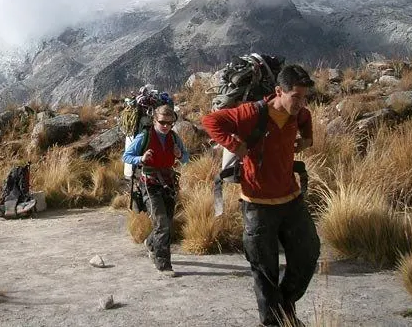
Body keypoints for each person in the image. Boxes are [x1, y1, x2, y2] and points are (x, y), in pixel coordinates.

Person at [201, 64, 320, 326]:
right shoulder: (251, 114)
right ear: (279, 91)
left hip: (291, 199)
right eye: (295, 97)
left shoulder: (297, 113)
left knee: (309, 254)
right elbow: (210, 121)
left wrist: (308, 139)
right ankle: (273, 321)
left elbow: (306, 117)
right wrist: (236, 145)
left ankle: (284, 308)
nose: (300, 103)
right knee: (264, 272)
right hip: (257, 206)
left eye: (304, 97)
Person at [123, 104, 189, 277]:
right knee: (162, 223)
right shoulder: (144, 136)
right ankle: (163, 264)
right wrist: (141, 158)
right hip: (149, 183)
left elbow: (186, 158)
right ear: (154, 121)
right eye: (162, 122)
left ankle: (151, 243)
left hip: (168, 183)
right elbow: (126, 156)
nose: (166, 126)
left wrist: (180, 155)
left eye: (170, 123)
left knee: (166, 221)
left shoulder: (174, 138)